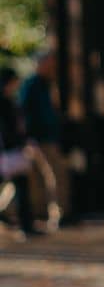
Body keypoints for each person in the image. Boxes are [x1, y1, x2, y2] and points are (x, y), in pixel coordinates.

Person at [18, 47, 68, 230]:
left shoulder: (47, 84)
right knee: (52, 175)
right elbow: (23, 113)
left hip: (46, 136)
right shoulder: (31, 85)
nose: (53, 65)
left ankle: (10, 209)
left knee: (37, 177)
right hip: (39, 138)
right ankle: (57, 213)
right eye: (49, 61)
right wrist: (29, 136)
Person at [0, 66, 36, 239]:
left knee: (21, 186)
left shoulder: (11, 100)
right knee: (20, 186)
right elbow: (9, 129)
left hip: (12, 151)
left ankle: (26, 223)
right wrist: (19, 143)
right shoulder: (4, 102)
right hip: (8, 151)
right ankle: (24, 223)